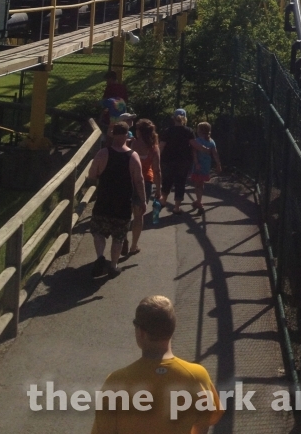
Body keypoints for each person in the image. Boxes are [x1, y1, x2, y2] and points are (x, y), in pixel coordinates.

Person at [90, 295, 223, 434]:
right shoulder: (197, 376)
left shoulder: (116, 381)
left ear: (141, 333)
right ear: (172, 328)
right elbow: (205, 422)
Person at [88, 121, 145, 277]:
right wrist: (143, 200)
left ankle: (100, 257)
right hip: (123, 202)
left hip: (104, 199)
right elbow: (139, 180)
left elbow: (92, 175)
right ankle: (113, 265)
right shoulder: (133, 156)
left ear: (112, 134)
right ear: (127, 135)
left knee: (98, 231)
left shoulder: (103, 153)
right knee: (119, 236)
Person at [128, 119, 161, 254]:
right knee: (138, 215)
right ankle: (134, 245)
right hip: (145, 182)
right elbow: (157, 170)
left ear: (139, 132)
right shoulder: (153, 147)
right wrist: (158, 189)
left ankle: (123, 239)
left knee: (125, 214)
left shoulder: (130, 143)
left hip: (128, 181)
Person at [159, 109, 195, 215]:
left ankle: (163, 201)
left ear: (173, 118)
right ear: (185, 118)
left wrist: (156, 159)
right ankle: (177, 207)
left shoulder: (167, 130)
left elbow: (161, 146)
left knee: (167, 181)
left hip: (168, 160)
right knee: (180, 182)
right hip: (183, 161)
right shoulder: (188, 131)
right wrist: (207, 149)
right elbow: (193, 145)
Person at [189, 123, 221, 214]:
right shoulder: (211, 141)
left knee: (197, 184)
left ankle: (199, 203)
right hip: (206, 165)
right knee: (201, 183)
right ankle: (198, 199)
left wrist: (196, 163)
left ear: (200, 131)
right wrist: (218, 164)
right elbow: (215, 153)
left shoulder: (197, 141)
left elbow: (194, 153)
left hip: (198, 165)